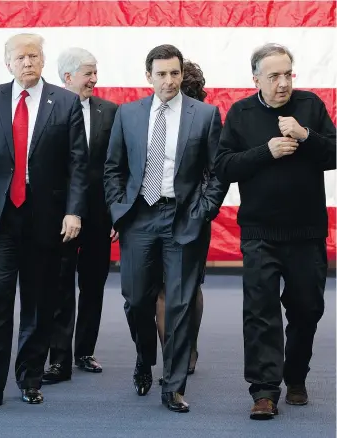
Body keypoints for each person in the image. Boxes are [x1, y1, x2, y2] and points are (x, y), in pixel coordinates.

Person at [0, 33, 88, 410]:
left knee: (38, 301)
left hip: (45, 216)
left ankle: (30, 378)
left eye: (34, 55)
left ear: (44, 60)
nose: (28, 62)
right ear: (8, 63)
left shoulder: (65, 102)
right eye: (20, 57)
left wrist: (74, 210)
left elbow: (78, 163)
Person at [214, 43, 336, 420]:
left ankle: (295, 376)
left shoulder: (310, 106)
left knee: (307, 310)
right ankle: (264, 391)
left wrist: (305, 135)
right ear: (256, 79)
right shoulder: (241, 113)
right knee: (260, 313)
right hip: (260, 232)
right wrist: (265, 151)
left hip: (306, 233)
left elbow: (333, 154)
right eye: (274, 76)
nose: (283, 83)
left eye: (288, 74)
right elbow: (224, 167)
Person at [104, 44, 227, 413]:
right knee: (136, 300)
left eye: (174, 73)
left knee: (179, 303)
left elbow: (218, 170)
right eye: (161, 74)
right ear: (148, 76)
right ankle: (144, 359)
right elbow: (113, 168)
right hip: (139, 218)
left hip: (184, 218)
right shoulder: (127, 114)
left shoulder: (205, 115)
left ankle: (173, 386)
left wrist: (204, 209)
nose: (169, 81)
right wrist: (117, 210)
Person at [42, 48, 118, 384]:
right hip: (60, 215)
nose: (94, 79)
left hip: (100, 215)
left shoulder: (110, 112)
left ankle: (84, 350)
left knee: (93, 284)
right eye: (88, 73)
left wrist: (118, 214)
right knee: (59, 284)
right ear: (68, 77)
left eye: (95, 72)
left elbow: (119, 168)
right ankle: (58, 359)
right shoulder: (49, 109)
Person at [156, 61, 209, 382]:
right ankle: (184, 350)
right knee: (187, 286)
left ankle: (176, 353)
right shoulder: (152, 116)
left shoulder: (203, 118)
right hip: (173, 214)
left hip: (188, 214)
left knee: (169, 289)